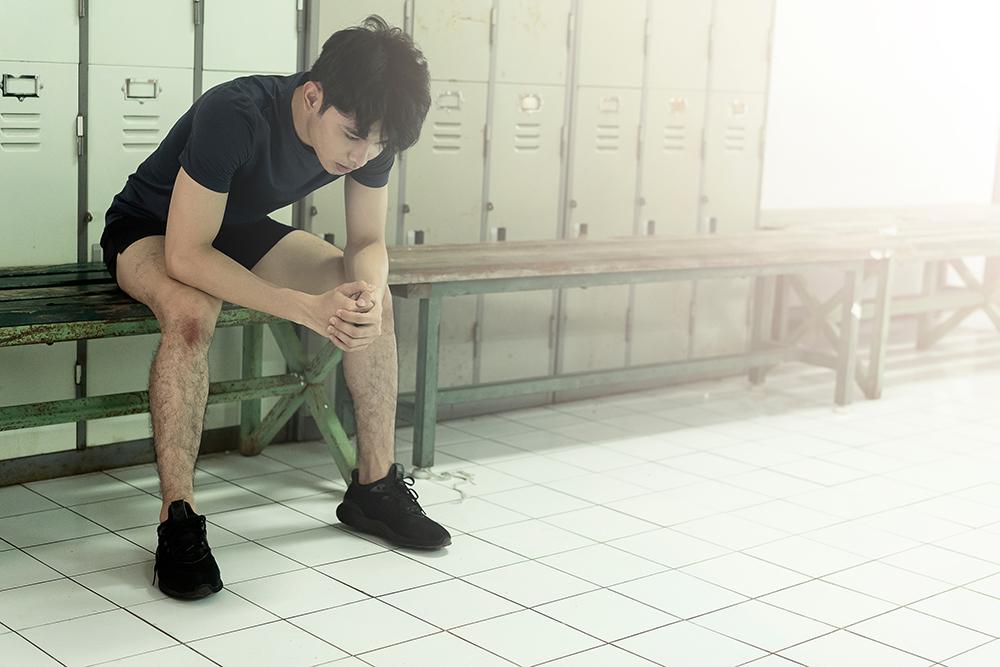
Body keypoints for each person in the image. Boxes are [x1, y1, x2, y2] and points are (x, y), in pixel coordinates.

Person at [98, 15, 450, 600]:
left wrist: (361, 289)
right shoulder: (234, 113)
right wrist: (300, 307)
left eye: (379, 145)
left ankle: (374, 487)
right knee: (191, 313)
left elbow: (366, 243)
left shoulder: (368, 131)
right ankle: (177, 519)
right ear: (312, 96)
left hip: (235, 227)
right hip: (151, 229)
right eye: (353, 135)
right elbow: (186, 255)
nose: (362, 155)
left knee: (373, 295)